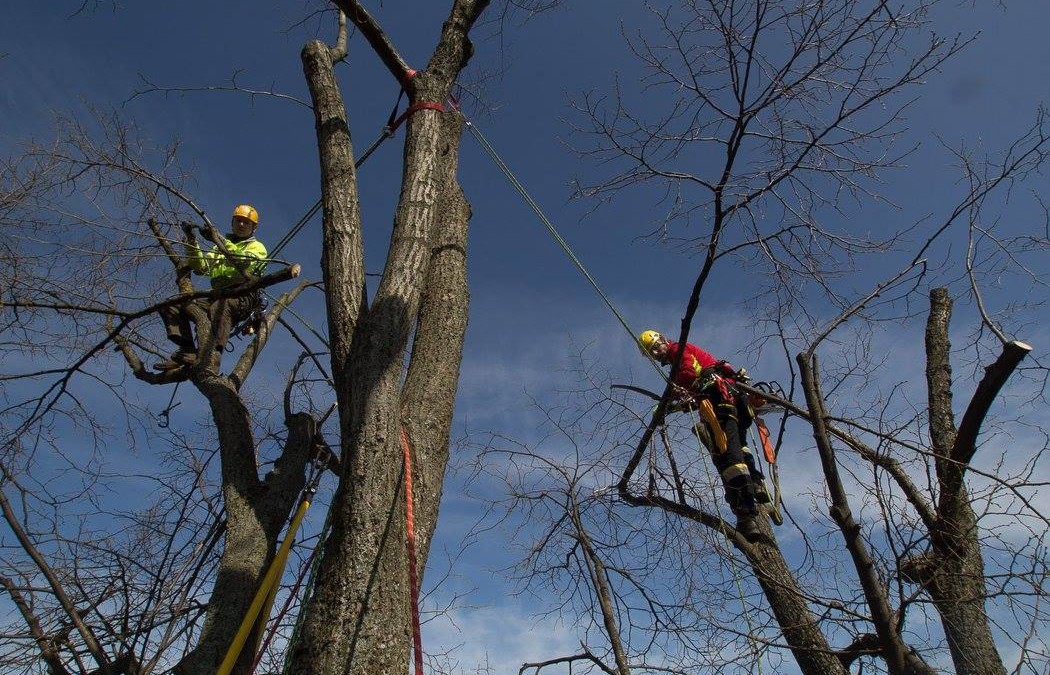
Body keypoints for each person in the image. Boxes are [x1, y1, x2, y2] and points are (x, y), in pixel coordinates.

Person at [638, 329, 770, 529]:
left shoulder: (678, 350)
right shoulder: (679, 357)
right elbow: (694, 387)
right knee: (739, 445)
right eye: (651, 353)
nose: (656, 354)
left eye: (655, 347)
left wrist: (670, 400)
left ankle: (746, 514)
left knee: (727, 454)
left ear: (662, 340)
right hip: (734, 397)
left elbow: (688, 374)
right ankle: (756, 481)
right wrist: (678, 403)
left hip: (720, 398)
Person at [155, 204, 268, 371]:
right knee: (173, 305)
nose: (242, 225)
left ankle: (211, 354)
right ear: (232, 222)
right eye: (238, 221)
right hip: (218, 295)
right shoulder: (218, 249)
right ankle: (187, 349)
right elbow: (201, 268)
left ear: (254, 227)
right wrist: (191, 240)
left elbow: (242, 261)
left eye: (246, 222)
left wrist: (219, 239)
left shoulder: (257, 248)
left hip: (242, 296)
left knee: (221, 306)